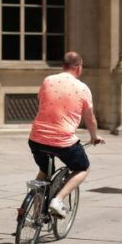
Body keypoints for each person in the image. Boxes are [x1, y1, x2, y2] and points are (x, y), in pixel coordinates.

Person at [29, 52, 104, 218]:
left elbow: (41, 101)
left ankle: (34, 213)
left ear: (63, 65)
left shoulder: (48, 80)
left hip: (37, 138)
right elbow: (90, 119)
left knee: (44, 170)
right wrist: (94, 137)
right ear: (78, 66)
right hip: (63, 141)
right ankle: (58, 200)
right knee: (82, 167)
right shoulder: (83, 88)